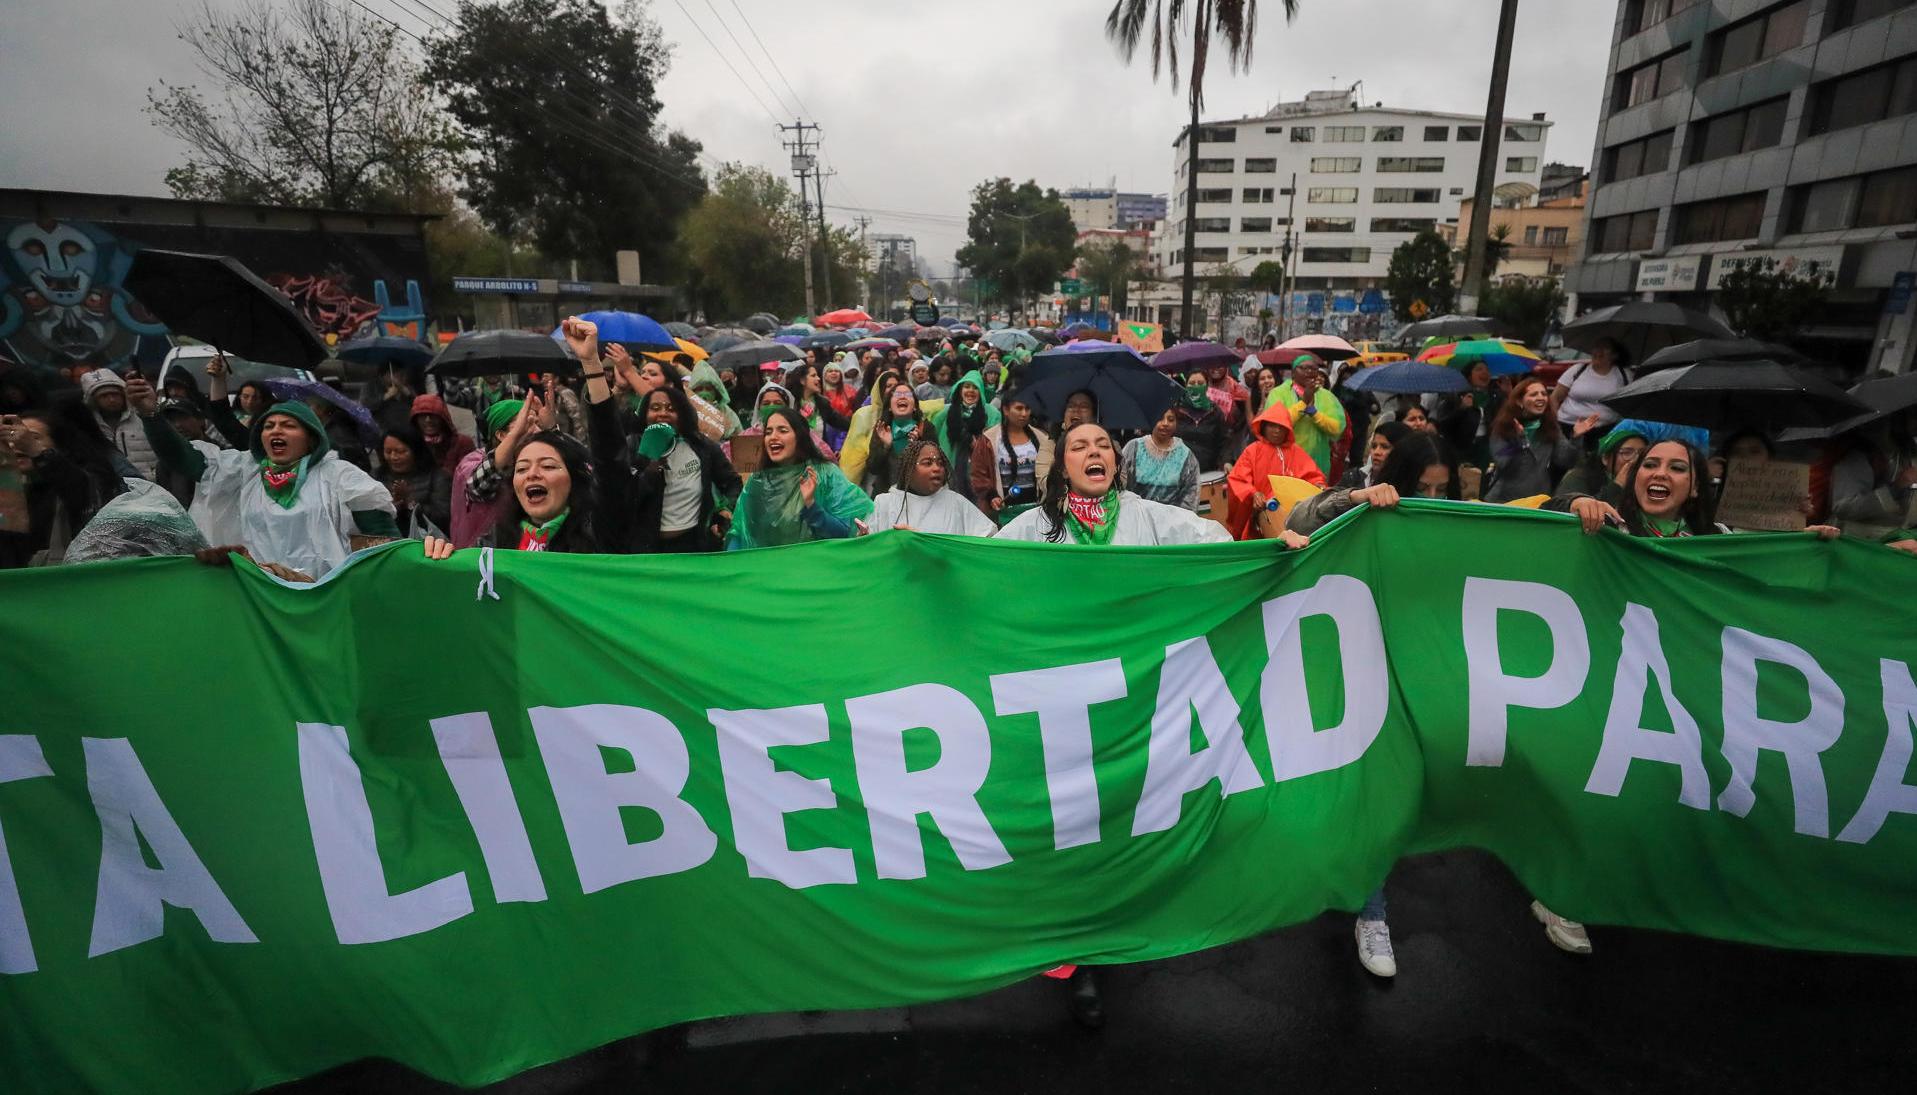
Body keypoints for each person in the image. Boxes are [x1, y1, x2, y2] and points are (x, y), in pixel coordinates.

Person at [136, 375, 397, 579]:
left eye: (288, 425)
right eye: (268, 426)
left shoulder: (340, 476)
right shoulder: (244, 469)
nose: (276, 430)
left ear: (311, 437)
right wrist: (150, 414)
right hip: (260, 596)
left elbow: (384, 540)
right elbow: (183, 458)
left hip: (325, 596)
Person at [1000, 422, 1273, 547]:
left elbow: (1217, 543)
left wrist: (1274, 550)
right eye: (1080, 447)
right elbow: (985, 559)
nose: (1094, 452)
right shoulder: (1037, 523)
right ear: (1063, 469)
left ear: (1115, 463)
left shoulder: (1146, 515)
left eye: (1103, 445)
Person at [0, 398, 132, 567]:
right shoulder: (10, 487)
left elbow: (79, 490)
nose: (18, 445)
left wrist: (36, 451)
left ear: (59, 446)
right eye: (11, 438)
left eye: (33, 438)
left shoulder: (79, 478)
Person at [618, 383, 743, 552]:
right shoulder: (632, 447)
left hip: (694, 547)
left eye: (671, 408)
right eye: (655, 408)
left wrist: (724, 510)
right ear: (644, 414)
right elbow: (622, 499)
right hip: (645, 550)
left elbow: (733, 483)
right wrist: (651, 466)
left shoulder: (702, 447)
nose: (663, 413)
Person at [726, 406, 873, 549]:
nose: (773, 437)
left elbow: (844, 533)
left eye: (782, 431)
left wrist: (811, 506)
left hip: (816, 568)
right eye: (768, 432)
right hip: (770, 569)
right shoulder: (758, 481)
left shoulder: (825, 474)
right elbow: (740, 533)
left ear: (799, 436)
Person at [1288, 432, 1460, 535]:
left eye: (1441, 489)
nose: (1431, 498)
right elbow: (1296, 523)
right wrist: (1351, 499)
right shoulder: (1371, 512)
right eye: (1421, 488)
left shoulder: (1458, 523)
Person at [1225, 402, 1327, 540]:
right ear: (1264, 426)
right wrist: (1253, 494)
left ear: (1288, 430)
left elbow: (1313, 477)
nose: (1277, 430)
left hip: (1295, 515)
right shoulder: (1253, 450)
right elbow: (1238, 479)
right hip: (1262, 515)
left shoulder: (1296, 452)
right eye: (1272, 425)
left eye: (1281, 427)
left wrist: (1319, 485)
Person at [866, 434, 997, 537]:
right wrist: (864, 538)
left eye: (940, 463)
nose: (937, 468)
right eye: (927, 463)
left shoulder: (956, 502)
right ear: (909, 470)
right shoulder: (884, 503)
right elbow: (871, 548)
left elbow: (987, 538)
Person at [1482, 376, 1586, 503]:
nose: (1541, 397)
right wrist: (1519, 441)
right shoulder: (1504, 427)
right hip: (1505, 499)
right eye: (1533, 394)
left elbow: (1565, 460)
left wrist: (1576, 438)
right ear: (1520, 401)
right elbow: (1504, 463)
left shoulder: (1550, 427)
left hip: (1538, 499)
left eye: (1544, 394)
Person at [451, 397, 527, 549]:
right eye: (525, 424)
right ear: (501, 435)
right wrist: (515, 437)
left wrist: (551, 429)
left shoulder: (529, 461)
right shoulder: (471, 463)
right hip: (479, 559)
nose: (534, 430)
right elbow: (477, 487)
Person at [970, 395, 1052, 525]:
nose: (1024, 414)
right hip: (1003, 512)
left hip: (1037, 510)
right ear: (1006, 410)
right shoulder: (989, 439)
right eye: (1019, 408)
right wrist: (991, 496)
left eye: (1027, 408)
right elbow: (979, 473)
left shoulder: (1042, 437)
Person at [929, 368, 999, 501]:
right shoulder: (945, 412)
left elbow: (996, 442)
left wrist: (979, 446)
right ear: (960, 390)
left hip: (979, 472)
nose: (970, 391)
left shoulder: (991, 414)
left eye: (975, 387)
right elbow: (931, 436)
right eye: (967, 386)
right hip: (949, 469)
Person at [1269, 357, 1346, 476]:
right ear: (1293, 372)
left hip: (1317, 465)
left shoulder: (1327, 396)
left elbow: (1337, 428)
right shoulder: (1278, 394)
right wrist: (1303, 403)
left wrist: (1314, 413)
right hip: (1285, 464)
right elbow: (1275, 425)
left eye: (1313, 368)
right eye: (1304, 368)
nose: (1309, 372)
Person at [858, 378, 932, 497]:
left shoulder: (925, 428)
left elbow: (935, 466)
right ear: (889, 407)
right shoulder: (882, 429)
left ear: (915, 407)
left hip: (918, 497)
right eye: (897, 394)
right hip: (886, 497)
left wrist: (919, 446)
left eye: (907, 394)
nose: (902, 397)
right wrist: (886, 447)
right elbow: (873, 468)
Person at [79, 368, 157, 479]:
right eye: (104, 396)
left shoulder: (143, 417)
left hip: (151, 486)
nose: (111, 399)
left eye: (115, 394)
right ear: (94, 400)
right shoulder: (88, 428)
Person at [376, 425, 453, 538]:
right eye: (388, 451)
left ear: (415, 451)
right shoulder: (377, 477)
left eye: (400, 451)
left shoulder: (438, 477)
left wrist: (410, 504)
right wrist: (392, 508)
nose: (393, 457)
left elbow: (443, 517)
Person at [1119, 406, 1201, 510]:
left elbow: (1191, 494)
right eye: (1160, 418)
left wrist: (1179, 520)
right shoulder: (1134, 447)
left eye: (1171, 419)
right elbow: (1119, 483)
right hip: (1137, 516)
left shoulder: (1185, 455)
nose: (1165, 423)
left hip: (1172, 521)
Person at [1552, 421, 1650, 506]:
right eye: (1627, 453)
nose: (1635, 460)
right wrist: (1617, 485)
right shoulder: (1578, 477)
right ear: (1605, 459)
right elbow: (1565, 510)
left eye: (1641, 453)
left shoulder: (1646, 481)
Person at [1548, 337, 1631, 435]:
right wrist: (1554, 424)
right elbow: (1554, 398)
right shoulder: (1577, 370)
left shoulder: (1625, 375)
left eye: (1605, 348)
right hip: (1568, 426)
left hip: (1606, 431)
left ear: (1615, 355)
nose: (1598, 351)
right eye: (1596, 347)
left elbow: (1630, 405)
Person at [1435, 361, 1502, 469]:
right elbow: (1443, 426)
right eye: (1479, 369)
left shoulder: (1494, 396)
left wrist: (1508, 393)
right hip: (1461, 450)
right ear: (1469, 376)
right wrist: (1462, 409)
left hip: (1485, 448)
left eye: (1487, 370)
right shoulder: (1455, 395)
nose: (1484, 372)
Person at [1173, 370, 1230, 472]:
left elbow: (1224, 442)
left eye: (1200, 383)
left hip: (1209, 472)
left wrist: (1226, 461)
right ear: (1186, 386)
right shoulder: (1176, 411)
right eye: (1192, 383)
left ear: (1207, 386)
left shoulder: (1216, 412)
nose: (1196, 386)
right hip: (1178, 472)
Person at [410, 393, 476, 475]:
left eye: (432, 416)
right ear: (416, 420)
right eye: (423, 416)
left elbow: (469, 474)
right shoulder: (411, 445)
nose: (428, 420)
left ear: (443, 418)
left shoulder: (462, 443)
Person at [1337, 420, 1414, 489]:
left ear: (1402, 451)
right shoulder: (1353, 478)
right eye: (1374, 446)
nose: (1376, 452)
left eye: (1385, 447)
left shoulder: (1411, 487)